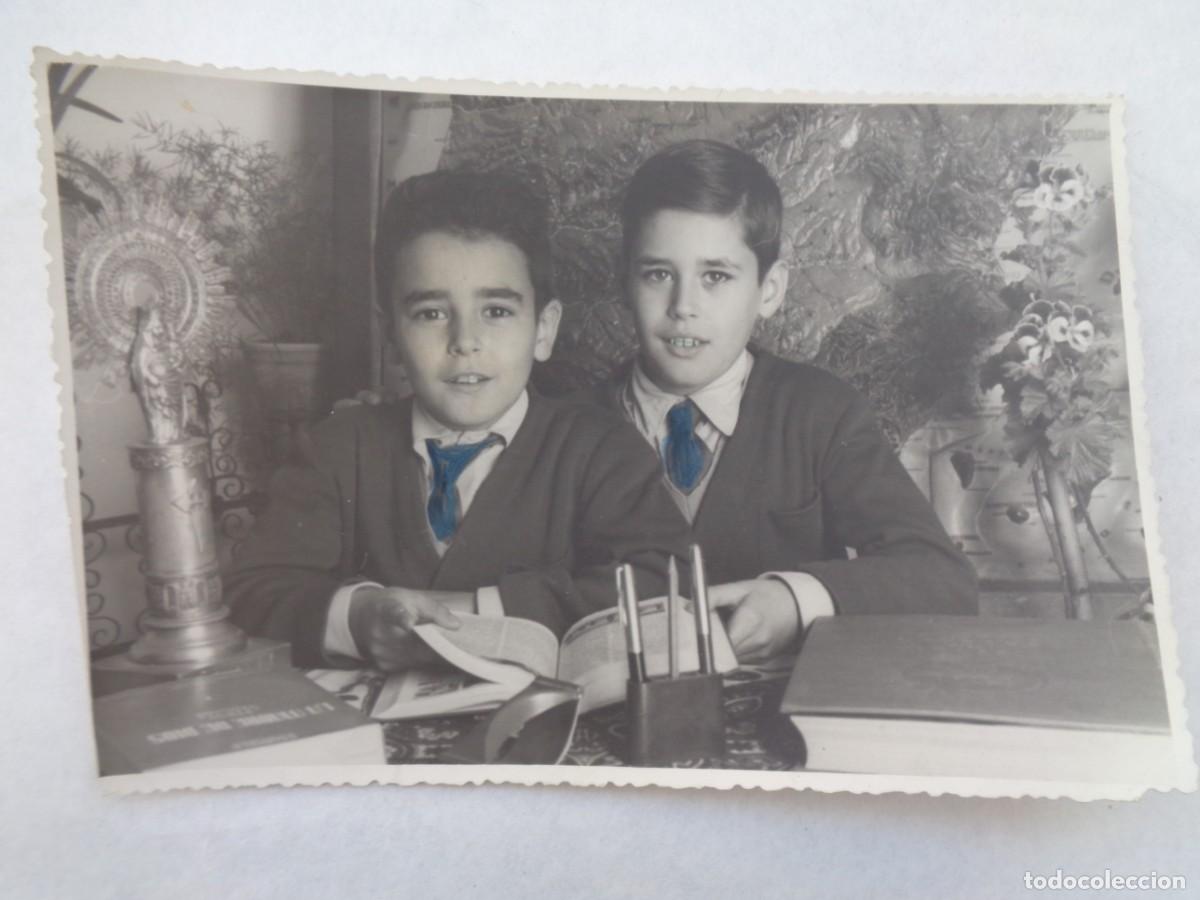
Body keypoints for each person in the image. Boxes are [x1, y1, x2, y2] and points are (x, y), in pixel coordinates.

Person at [226, 171, 690, 671]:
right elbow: (254, 589)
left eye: (496, 311)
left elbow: (660, 577)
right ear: (392, 336)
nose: (465, 341)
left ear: (543, 329)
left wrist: (478, 608)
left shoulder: (600, 449)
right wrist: (356, 615)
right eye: (430, 314)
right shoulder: (339, 448)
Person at [595, 139, 978, 662]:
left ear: (770, 290)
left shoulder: (820, 414)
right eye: (658, 274)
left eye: (715, 277)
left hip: (785, 703)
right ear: (624, 283)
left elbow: (943, 579)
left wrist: (798, 599)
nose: (684, 306)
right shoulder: (572, 425)